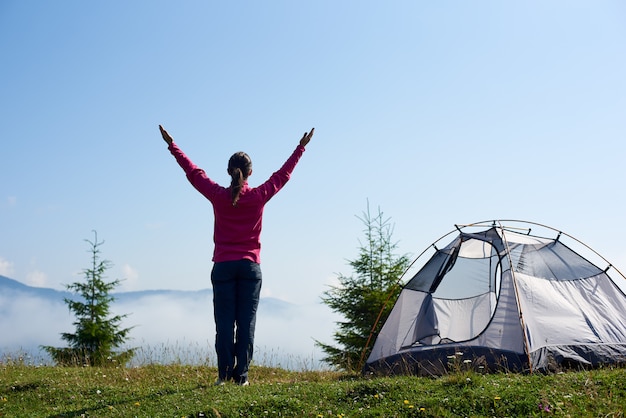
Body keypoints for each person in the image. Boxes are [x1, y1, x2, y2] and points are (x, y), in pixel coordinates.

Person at [159, 125, 314, 386]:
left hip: (222, 267)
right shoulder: (258, 196)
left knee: (224, 324)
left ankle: (222, 376)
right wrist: (301, 147)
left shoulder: (219, 196)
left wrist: (173, 145)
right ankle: (241, 377)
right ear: (250, 172)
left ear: (229, 171)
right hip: (250, 267)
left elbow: (194, 173)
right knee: (246, 324)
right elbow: (282, 175)